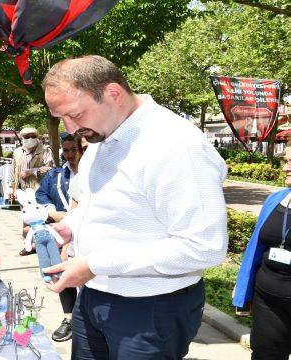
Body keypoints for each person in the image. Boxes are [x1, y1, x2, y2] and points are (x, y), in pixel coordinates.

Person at [41, 55, 228, 359]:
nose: (70, 128)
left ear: (114, 94)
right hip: (94, 295)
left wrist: (94, 264)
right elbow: (96, 205)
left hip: (150, 308)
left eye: (75, 114)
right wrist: (69, 227)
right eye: (61, 118)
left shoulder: (175, 145)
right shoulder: (102, 138)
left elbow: (205, 246)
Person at [233, 145, 291, 360]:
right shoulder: (277, 199)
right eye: (285, 161)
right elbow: (255, 248)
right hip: (267, 300)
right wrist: (243, 287)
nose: (286, 167)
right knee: (265, 355)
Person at [33, 132, 86, 342]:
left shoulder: (93, 173)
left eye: (74, 149)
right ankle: (69, 318)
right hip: (62, 231)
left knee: (87, 278)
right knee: (64, 275)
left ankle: (85, 319)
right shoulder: (56, 174)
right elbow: (40, 196)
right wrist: (52, 212)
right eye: (66, 150)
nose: (70, 154)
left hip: (86, 234)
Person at [10, 127, 54, 196]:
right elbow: (13, 171)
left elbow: (50, 170)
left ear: (37, 137)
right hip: (21, 192)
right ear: (22, 138)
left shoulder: (46, 151)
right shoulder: (17, 152)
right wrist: (12, 188)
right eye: (27, 136)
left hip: (40, 192)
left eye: (33, 136)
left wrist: (32, 171)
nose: (30, 138)